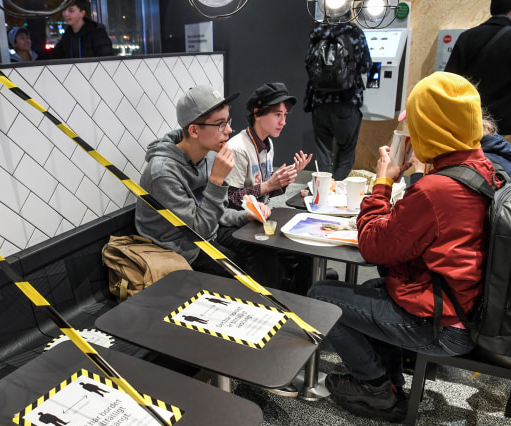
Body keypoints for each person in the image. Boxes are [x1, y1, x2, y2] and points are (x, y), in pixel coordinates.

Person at [308, 72, 497, 421]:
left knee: (320, 296)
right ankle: (392, 383)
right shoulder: (484, 169)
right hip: (466, 311)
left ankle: (375, 387)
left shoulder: (437, 189)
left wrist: (382, 182)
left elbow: (373, 246)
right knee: (373, 287)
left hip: (443, 326)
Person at [135, 85, 275, 285]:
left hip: (209, 232)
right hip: (179, 248)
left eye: (228, 121)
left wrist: (245, 216)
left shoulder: (208, 154)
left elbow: (216, 211)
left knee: (264, 248)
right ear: (193, 130)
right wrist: (217, 180)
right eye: (220, 124)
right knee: (243, 276)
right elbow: (197, 230)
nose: (229, 130)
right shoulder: (162, 172)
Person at [445, 0, 511, 135]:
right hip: (502, 118)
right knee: (494, 154)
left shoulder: (467, 36)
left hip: (470, 112)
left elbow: (450, 75)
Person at [303, 18, 372, 181]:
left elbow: (308, 64)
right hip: (347, 102)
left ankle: (324, 191)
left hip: (320, 103)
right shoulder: (355, 32)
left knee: (324, 153)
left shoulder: (317, 33)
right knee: (346, 153)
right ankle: (336, 190)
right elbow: (366, 65)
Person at [225, 82, 313, 210]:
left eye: (285, 115)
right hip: (243, 221)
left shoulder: (267, 143)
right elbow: (231, 200)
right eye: (277, 114)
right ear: (257, 114)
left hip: (264, 212)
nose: (283, 122)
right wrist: (268, 185)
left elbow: (267, 192)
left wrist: (286, 176)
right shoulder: (238, 148)